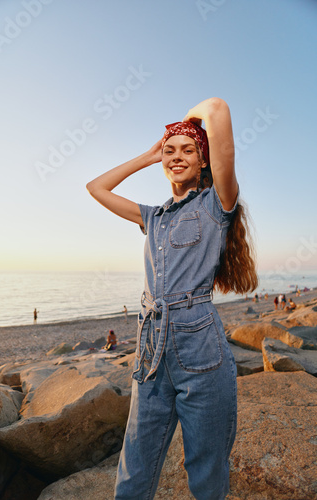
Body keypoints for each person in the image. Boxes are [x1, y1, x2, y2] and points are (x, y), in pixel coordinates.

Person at [86, 97, 258, 499]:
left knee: (206, 473)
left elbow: (215, 108)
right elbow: (96, 187)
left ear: (204, 161)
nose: (176, 156)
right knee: (133, 474)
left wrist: (184, 125)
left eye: (187, 149)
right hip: (150, 349)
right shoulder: (153, 216)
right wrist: (149, 155)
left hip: (200, 346)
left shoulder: (217, 205)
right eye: (170, 151)